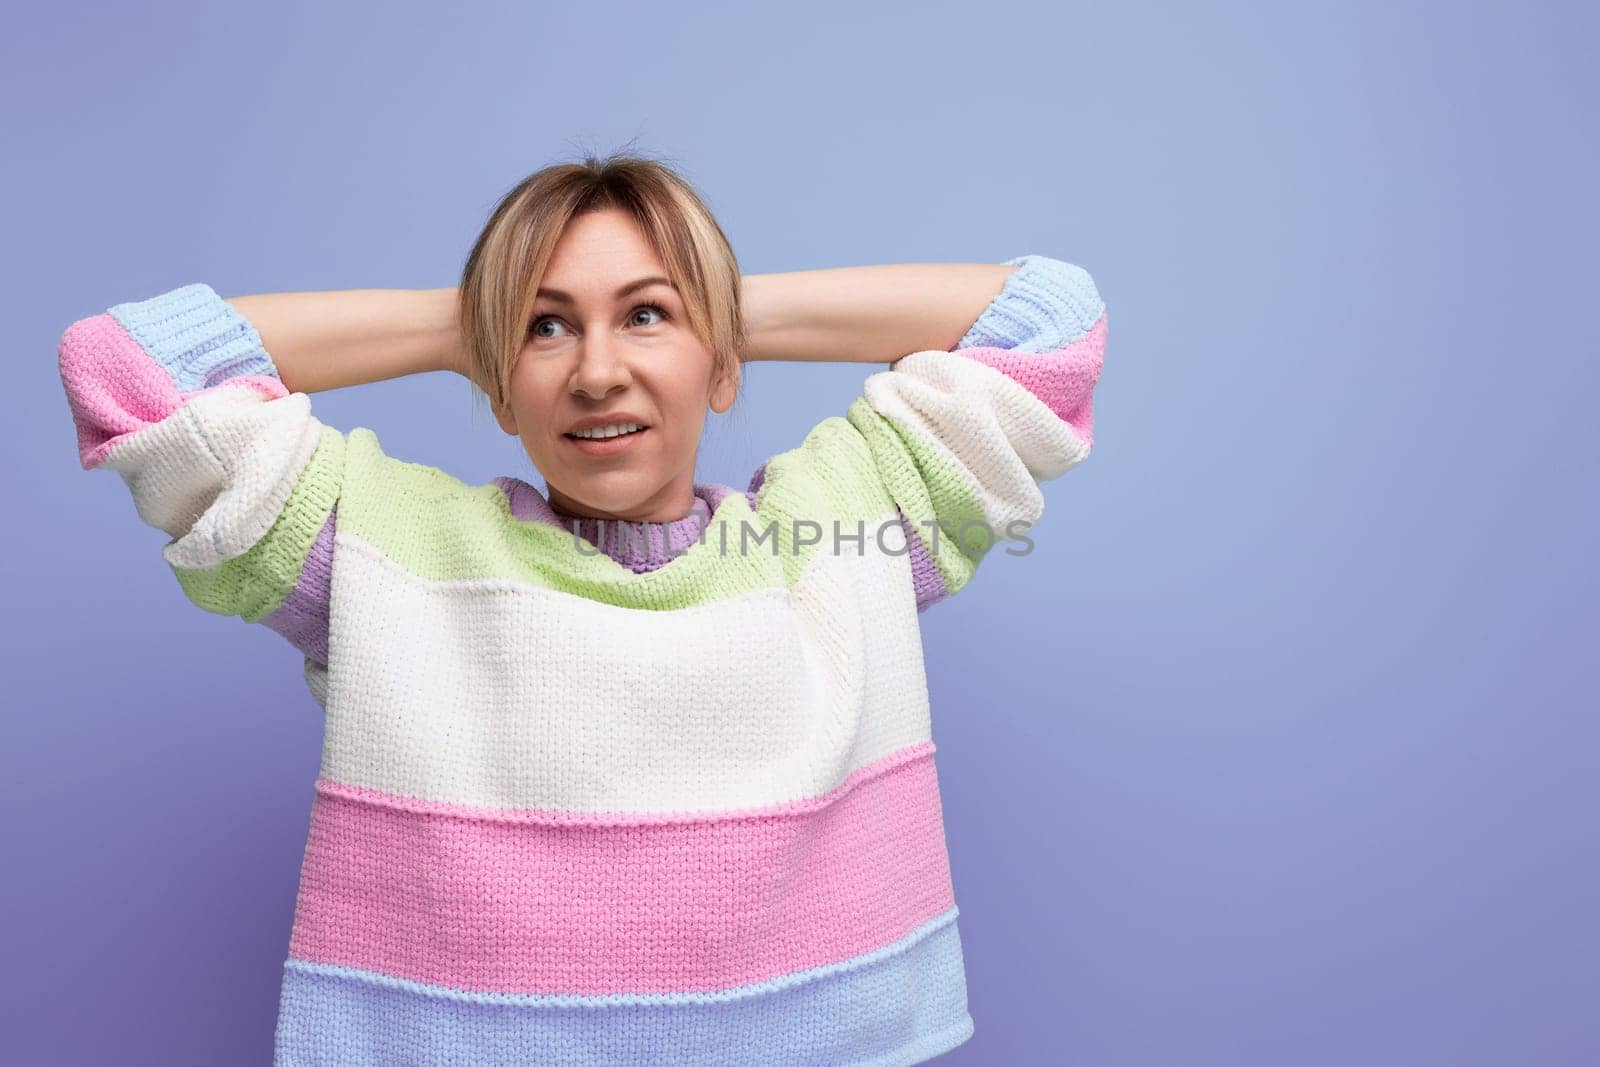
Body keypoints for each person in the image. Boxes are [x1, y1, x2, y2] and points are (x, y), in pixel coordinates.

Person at [56, 151, 1108, 1066]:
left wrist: (719, 307)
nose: (598, 371)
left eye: (647, 316)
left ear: (723, 358)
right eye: (545, 328)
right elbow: (130, 367)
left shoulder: (840, 533)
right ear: (497, 379)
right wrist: (473, 314)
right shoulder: (389, 553)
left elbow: (1051, 321)